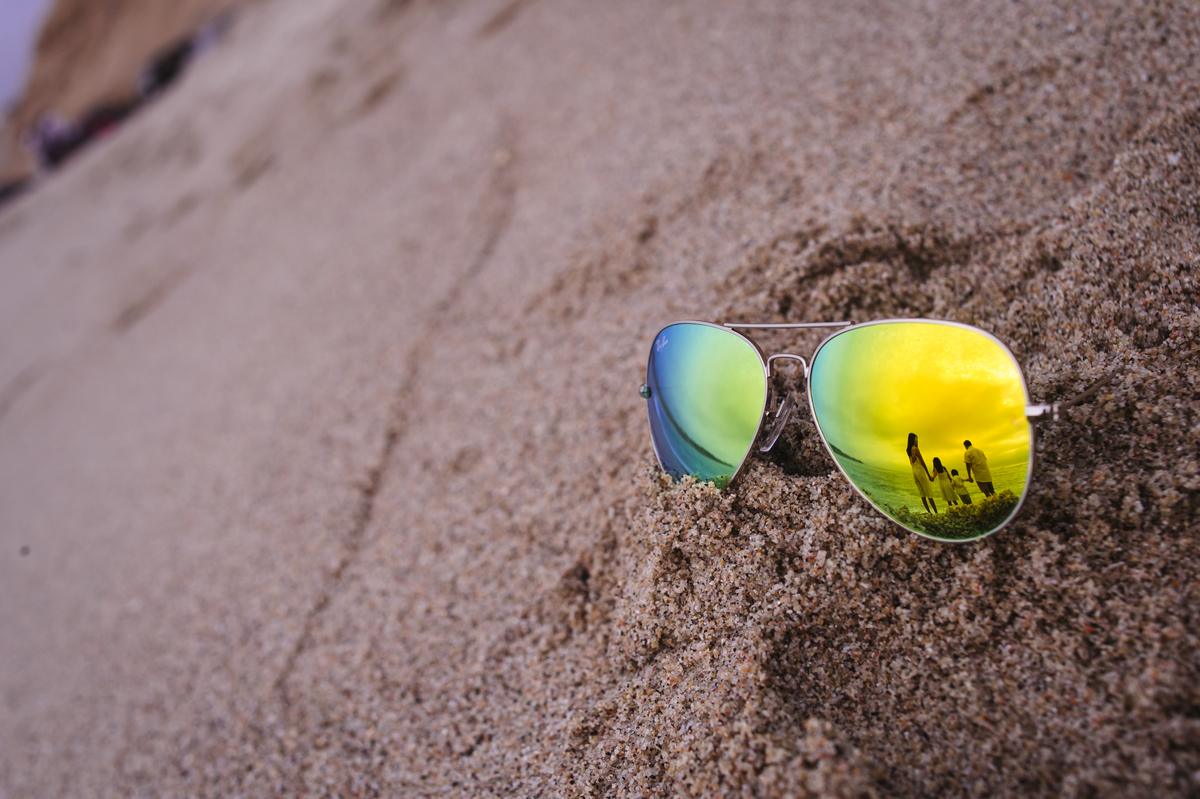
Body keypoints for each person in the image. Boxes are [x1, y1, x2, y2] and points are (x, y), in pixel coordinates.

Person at [907, 433, 937, 513]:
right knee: (928, 491)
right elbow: (923, 462)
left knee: (922, 493)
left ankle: (929, 512)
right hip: (920, 470)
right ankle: (936, 512)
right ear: (913, 439)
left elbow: (911, 462)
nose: (917, 440)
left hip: (914, 471)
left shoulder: (908, 450)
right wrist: (929, 475)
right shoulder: (915, 449)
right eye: (916, 439)